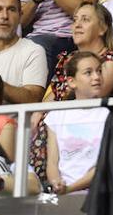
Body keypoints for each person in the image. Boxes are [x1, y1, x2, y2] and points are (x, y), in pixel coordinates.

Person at [44, 52, 107, 195]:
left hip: (99, 192)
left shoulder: (110, 114)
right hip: (64, 192)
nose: (96, 77)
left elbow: (105, 164)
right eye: (88, 73)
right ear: (72, 81)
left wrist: (69, 189)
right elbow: (52, 162)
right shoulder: (57, 115)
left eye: (99, 71)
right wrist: (56, 183)